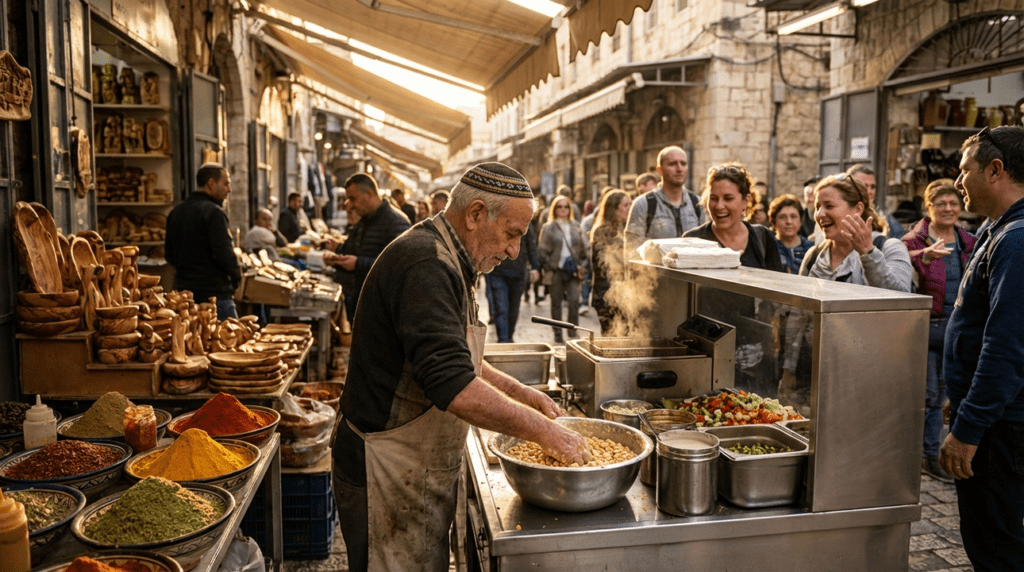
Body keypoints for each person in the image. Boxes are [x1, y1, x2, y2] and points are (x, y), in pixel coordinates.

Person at [331, 162, 590, 572]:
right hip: (384, 466)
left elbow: (457, 357)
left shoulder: (451, 256)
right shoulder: (426, 265)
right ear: (475, 215)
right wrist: (546, 433)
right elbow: (453, 384)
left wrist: (520, 393)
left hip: (411, 466)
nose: (513, 252)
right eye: (511, 234)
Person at [940, 125, 1024, 571]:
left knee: (999, 550)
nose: (957, 182)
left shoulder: (1017, 240)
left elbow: (1006, 348)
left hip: (1003, 432)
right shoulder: (999, 229)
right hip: (993, 420)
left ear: (995, 170)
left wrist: (969, 430)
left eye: (964, 171)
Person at [902, 179, 977, 484]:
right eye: (941, 204)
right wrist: (923, 257)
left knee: (951, 393)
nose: (948, 209)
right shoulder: (914, 241)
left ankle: (944, 451)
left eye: (953, 203)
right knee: (932, 395)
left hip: (958, 326)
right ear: (928, 207)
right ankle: (929, 455)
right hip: (926, 326)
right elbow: (893, 266)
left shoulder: (968, 240)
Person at [798, 174, 912, 292]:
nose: (820, 214)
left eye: (829, 206)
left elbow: (901, 299)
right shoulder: (814, 255)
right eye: (818, 207)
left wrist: (868, 252)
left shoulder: (889, 247)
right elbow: (799, 306)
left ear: (858, 209)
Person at [324, 174, 411, 322]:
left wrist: (358, 264)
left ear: (369, 193)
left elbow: (401, 267)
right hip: (365, 304)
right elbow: (356, 252)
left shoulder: (396, 222)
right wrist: (338, 259)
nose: (349, 204)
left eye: (353, 198)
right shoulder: (365, 221)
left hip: (385, 311)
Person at [165, 163, 241, 320]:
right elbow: (224, 254)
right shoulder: (214, 213)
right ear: (212, 184)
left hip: (185, 299)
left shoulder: (176, 212)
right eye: (226, 184)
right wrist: (236, 278)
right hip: (215, 298)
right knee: (230, 341)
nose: (229, 190)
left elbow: (169, 255)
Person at [682, 163, 785, 272]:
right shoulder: (692, 240)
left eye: (728, 198)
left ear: (746, 201)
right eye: (713, 198)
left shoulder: (763, 238)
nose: (719, 206)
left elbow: (775, 284)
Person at [624, 146, 704, 257]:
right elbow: (632, 252)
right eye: (672, 164)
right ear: (659, 170)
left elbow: (705, 247)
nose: (679, 168)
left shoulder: (697, 203)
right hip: (655, 273)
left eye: (683, 163)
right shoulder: (643, 204)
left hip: (691, 273)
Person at [538, 195, 589, 344]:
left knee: (574, 300)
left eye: (565, 206)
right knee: (556, 303)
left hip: (572, 271)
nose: (563, 209)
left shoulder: (576, 225)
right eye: (559, 206)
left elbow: (584, 249)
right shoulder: (549, 227)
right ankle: (558, 333)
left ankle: (572, 331)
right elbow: (542, 251)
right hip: (556, 271)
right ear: (554, 209)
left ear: (570, 209)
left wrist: (582, 265)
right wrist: (550, 266)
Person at [486, 222, 539, 342]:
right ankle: (504, 341)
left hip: (518, 272)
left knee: (514, 309)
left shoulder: (525, 221)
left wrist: (535, 267)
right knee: (501, 308)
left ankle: (509, 337)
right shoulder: (496, 218)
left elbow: (531, 244)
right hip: (497, 271)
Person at [589, 190, 631, 334]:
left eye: (631, 204)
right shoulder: (602, 231)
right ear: (614, 208)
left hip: (624, 297)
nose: (630, 208)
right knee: (612, 339)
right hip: (606, 296)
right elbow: (607, 265)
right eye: (626, 205)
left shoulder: (627, 229)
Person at [847, 164, 907, 239]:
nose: (870, 191)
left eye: (872, 187)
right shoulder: (842, 214)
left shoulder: (883, 218)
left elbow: (902, 240)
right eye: (864, 186)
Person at [769, 194, 814, 274]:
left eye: (793, 217)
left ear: (800, 221)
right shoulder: (768, 248)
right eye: (782, 217)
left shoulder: (811, 249)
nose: (789, 222)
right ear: (774, 222)